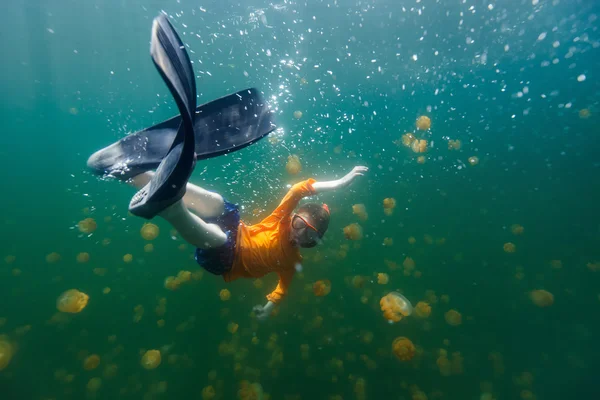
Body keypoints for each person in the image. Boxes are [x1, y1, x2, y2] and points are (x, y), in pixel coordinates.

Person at [88, 14, 368, 320]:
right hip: (239, 227)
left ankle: (170, 208)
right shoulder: (279, 219)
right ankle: (135, 174)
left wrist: (267, 308)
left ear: (313, 244)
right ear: (294, 219)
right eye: (300, 226)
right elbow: (301, 188)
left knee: (216, 238)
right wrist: (341, 182)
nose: (299, 236)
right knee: (217, 203)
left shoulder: (291, 262)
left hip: (226, 260)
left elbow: (282, 289)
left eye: (309, 238)